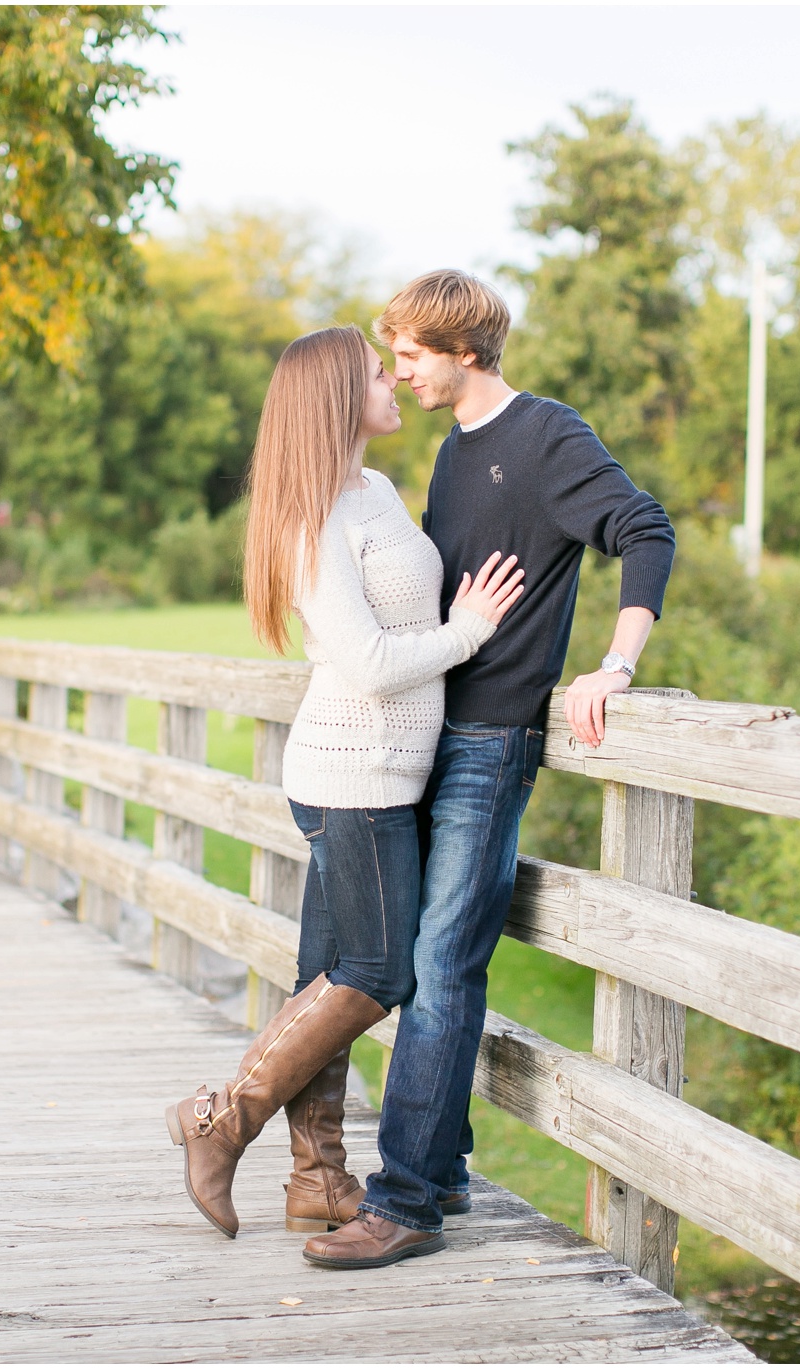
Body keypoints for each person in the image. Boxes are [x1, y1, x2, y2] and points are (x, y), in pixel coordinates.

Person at [304, 271, 676, 1269]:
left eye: (412, 354)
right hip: (423, 737)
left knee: (437, 968)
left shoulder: (548, 436)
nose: (398, 371)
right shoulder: (449, 450)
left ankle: (409, 1200)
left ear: (463, 350)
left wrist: (615, 662)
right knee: (402, 963)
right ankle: (449, 1166)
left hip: (488, 743)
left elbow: (644, 529)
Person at [165, 323, 526, 1241]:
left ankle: (318, 1181)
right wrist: (471, 629)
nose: (395, 380)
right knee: (375, 971)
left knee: (323, 976)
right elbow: (366, 662)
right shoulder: (311, 515)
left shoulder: (375, 490)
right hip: (352, 772)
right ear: (337, 396)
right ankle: (222, 1119)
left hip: (387, 773)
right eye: (378, 372)